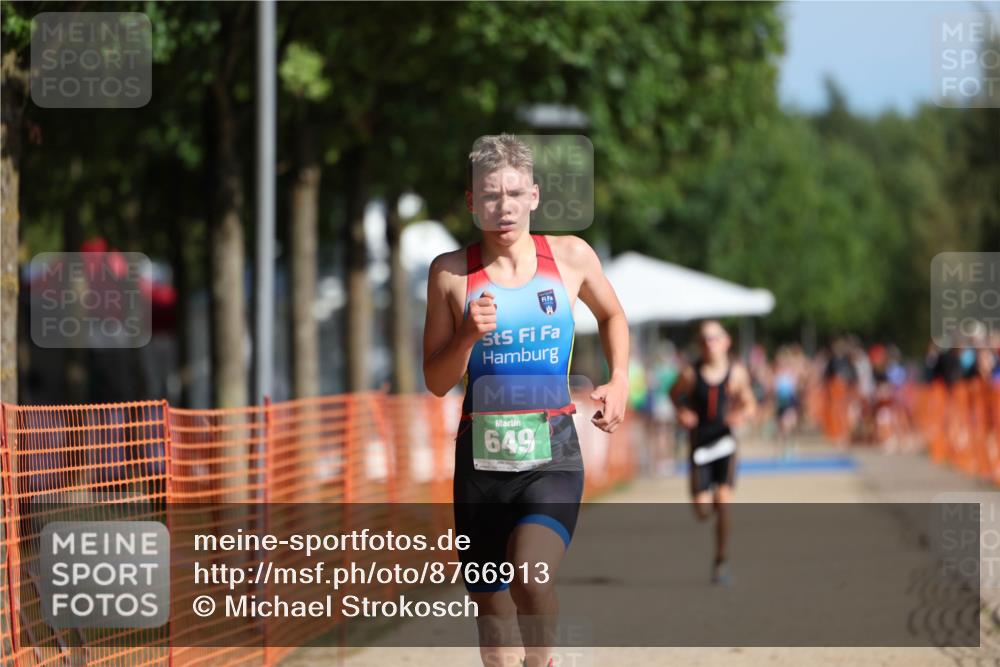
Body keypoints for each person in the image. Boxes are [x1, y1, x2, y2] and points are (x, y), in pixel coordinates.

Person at [422, 134, 629, 667]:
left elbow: (611, 315)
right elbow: (436, 380)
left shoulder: (570, 256)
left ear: (534, 195)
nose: (504, 207)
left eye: (514, 193)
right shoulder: (450, 274)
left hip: (552, 456)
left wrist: (620, 375)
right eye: (491, 196)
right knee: (491, 613)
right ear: (472, 202)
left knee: (530, 577)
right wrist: (467, 334)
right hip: (480, 465)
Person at [669, 320, 756, 586]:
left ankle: (721, 560)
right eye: (705, 339)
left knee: (724, 499)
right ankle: (712, 513)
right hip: (700, 447)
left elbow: (750, 403)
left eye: (715, 338)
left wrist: (741, 414)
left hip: (726, 445)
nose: (710, 344)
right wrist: (682, 412)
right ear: (699, 344)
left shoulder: (737, 373)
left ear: (727, 341)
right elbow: (673, 395)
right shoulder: (690, 374)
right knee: (702, 510)